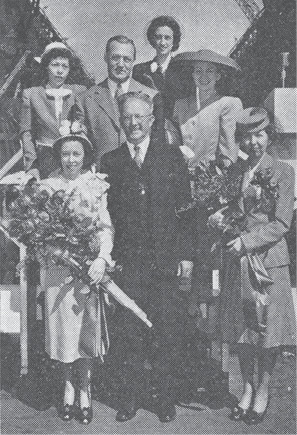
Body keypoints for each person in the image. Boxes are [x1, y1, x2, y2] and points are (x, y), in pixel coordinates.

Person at [101, 92, 194, 423]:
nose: (134, 123)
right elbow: (105, 216)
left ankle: (164, 399)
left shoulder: (171, 157)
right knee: (128, 334)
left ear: (152, 121)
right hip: (127, 264)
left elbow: (185, 210)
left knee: (166, 332)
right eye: (127, 117)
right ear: (121, 121)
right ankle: (129, 398)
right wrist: (107, 258)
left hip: (165, 262)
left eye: (140, 117)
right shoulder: (109, 162)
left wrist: (186, 256)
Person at [217, 107, 296, 425]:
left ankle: (263, 391)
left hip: (268, 264)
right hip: (238, 264)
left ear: (270, 137)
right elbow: (231, 212)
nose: (253, 143)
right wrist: (220, 219)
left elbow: (281, 223)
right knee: (243, 333)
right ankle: (247, 389)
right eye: (247, 137)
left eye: (260, 135)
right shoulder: (234, 173)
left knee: (268, 335)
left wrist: (246, 242)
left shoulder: (283, 172)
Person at [41, 128, 114, 424]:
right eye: (66, 154)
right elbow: (39, 231)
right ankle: (67, 387)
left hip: (86, 269)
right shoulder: (46, 187)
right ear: (58, 155)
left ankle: (85, 387)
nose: (71, 160)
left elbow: (104, 227)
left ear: (85, 157)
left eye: (77, 154)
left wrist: (101, 258)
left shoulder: (96, 186)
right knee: (61, 330)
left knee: (85, 330)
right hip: (57, 269)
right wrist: (52, 250)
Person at [171, 49, 243, 323]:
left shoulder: (228, 103)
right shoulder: (180, 105)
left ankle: (210, 321)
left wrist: (220, 192)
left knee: (209, 255)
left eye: (209, 72)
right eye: (198, 71)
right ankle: (188, 318)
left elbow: (229, 154)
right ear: (191, 75)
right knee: (185, 253)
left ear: (219, 75)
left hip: (211, 189)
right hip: (181, 188)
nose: (203, 77)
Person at [76, 35, 162, 167]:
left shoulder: (151, 96)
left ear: (134, 60)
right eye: (115, 58)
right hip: (101, 178)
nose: (121, 65)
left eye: (127, 59)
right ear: (106, 57)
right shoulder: (85, 99)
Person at [20, 42, 86, 179]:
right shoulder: (32, 94)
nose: (60, 71)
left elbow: (85, 125)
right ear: (45, 67)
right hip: (45, 158)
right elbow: (26, 132)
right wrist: (32, 166)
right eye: (55, 65)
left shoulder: (78, 91)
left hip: (72, 160)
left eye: (65, 66)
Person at [133, 15, 191, 118]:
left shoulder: (184, 70)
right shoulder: (140, 70)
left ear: (174, 41)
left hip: (176, 127)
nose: (163, 42)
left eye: (167, 38)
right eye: (158, 37)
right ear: (152, 39)